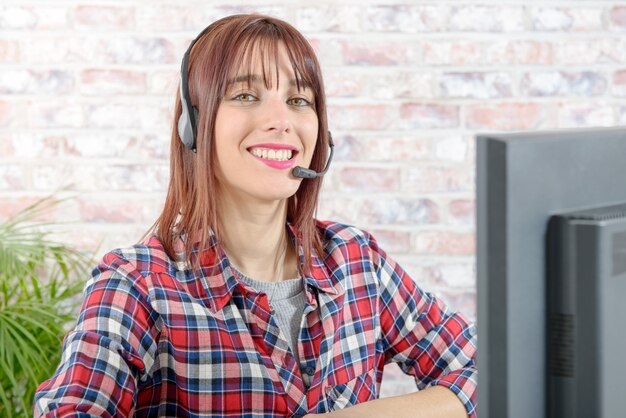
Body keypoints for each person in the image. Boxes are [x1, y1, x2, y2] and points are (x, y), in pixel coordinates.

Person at [34, 14, 477, 418]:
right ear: (193, 123)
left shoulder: (356, 262)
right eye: (246, 95)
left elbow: (487, 369)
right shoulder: (137, 284)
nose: (280, 121)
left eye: (299, 100)